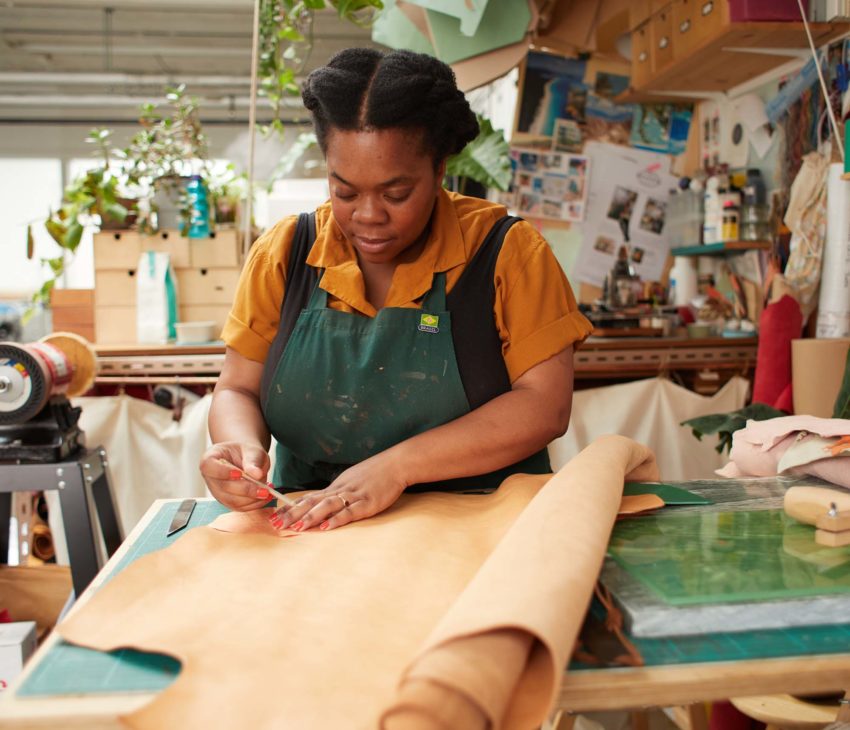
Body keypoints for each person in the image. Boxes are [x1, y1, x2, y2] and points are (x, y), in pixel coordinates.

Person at [200, 47, 593, 532]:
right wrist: (241, 448)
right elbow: (237, 388)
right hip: (313, 529)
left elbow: (545, 405)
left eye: (396, 194)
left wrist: (397, 467)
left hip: (487, 527)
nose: (367, 215)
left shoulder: (507, 252)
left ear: (440, 170)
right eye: (344, 191)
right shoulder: (284, 253)